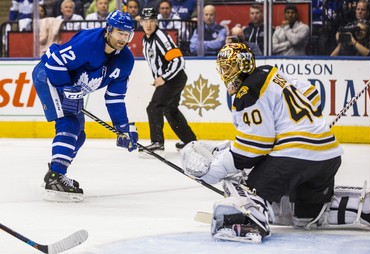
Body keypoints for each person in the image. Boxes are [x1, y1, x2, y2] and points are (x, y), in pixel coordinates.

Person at [180, 43, 350, 242]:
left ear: (243, 65)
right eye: (223, 68)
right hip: (329, 155)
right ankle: (364, 207)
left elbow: (253, 148)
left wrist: (215, 171)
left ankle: (249, 220)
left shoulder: (248, 91)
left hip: (296, 157)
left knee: (246, 186)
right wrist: (308, 125)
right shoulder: (270, 72)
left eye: (229, 67)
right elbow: (312, 94)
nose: (225, 73)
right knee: (307, 214)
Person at [32, 10, 138, 202]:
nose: (123, 38)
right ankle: (55, 176)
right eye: (119, 33)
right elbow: (54, 62)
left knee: (79, 134)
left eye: (127, 34)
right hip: (49, 77)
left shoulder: (125, 60)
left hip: (69, 87)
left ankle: (56, 173)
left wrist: (122, 128)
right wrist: (66, 88)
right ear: (109, 30)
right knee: (70, 124)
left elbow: (115, 98)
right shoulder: (89, 43)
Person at [139, 8, 197, 153]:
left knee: (154, 108)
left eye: (152, 21)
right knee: (170, 110)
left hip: (174, 79)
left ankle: (157, 142)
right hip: (172, 79)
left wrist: (164, 77)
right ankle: (191, 142)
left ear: (156, 22)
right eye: (146, 21)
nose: (149, 24)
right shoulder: (146, 40)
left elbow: (178, 60)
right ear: (141, 23)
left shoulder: (161, 37)